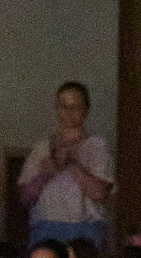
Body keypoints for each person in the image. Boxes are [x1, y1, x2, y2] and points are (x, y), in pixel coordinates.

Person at [19, 81, 114, 247]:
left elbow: (100, 193)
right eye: (63, 106)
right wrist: (46, 173)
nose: (68, 112)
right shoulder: (42, 148)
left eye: (75, 106)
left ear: (86, 109)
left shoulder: (97, 146)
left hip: (85, 228)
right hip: (45, 226)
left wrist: (71, 164)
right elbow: (25, 197)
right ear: (57, 109)